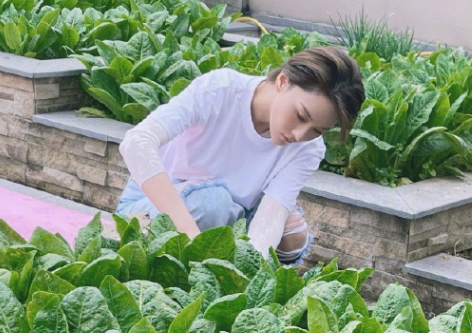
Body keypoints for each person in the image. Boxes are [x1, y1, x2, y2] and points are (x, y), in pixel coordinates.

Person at [116, 46, 365, 265]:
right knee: (212, 203)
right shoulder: (221, 90)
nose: (300, 134)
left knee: (292, 234)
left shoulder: (309, 148)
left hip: (236, 210)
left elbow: (274, 212)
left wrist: (245, 272)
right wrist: (190, 234)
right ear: (282, 82)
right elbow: (136, 143)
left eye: (317, 130)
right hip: (158, 205)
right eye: (301, 116)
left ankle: (220, 252)